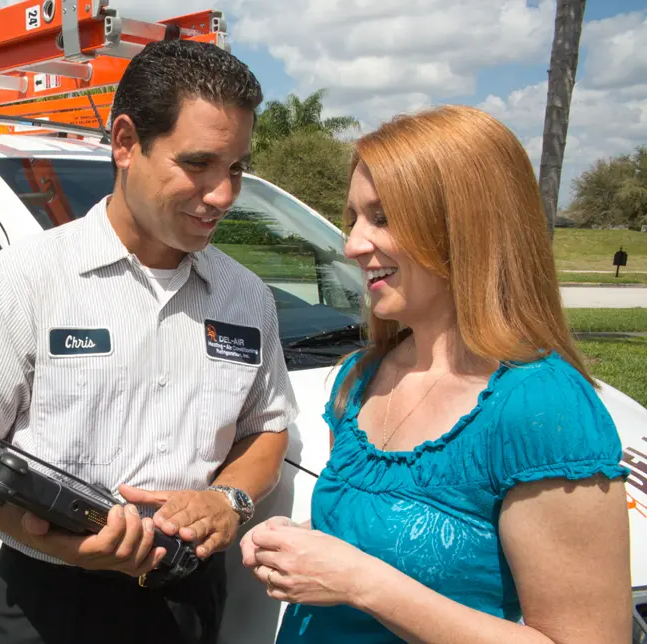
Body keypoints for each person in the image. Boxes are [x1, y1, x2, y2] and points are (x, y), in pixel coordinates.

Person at [0, 38, 298, 644]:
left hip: (190, 599)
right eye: (199, 164)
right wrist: (73, 549)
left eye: (234, 168)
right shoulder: (24, 280)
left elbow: (268, 425)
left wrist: (228, 500)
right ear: (126, 142)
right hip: (52, 604)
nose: (225, 195)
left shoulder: (247, 298)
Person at [241, 104, 632, 642]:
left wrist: (359, 581)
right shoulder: (359, 377)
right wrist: (303, 546)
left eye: (381, 217)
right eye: (353, 217)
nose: (352, 244)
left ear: (464, 226)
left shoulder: (541, 407)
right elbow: (404, 546)